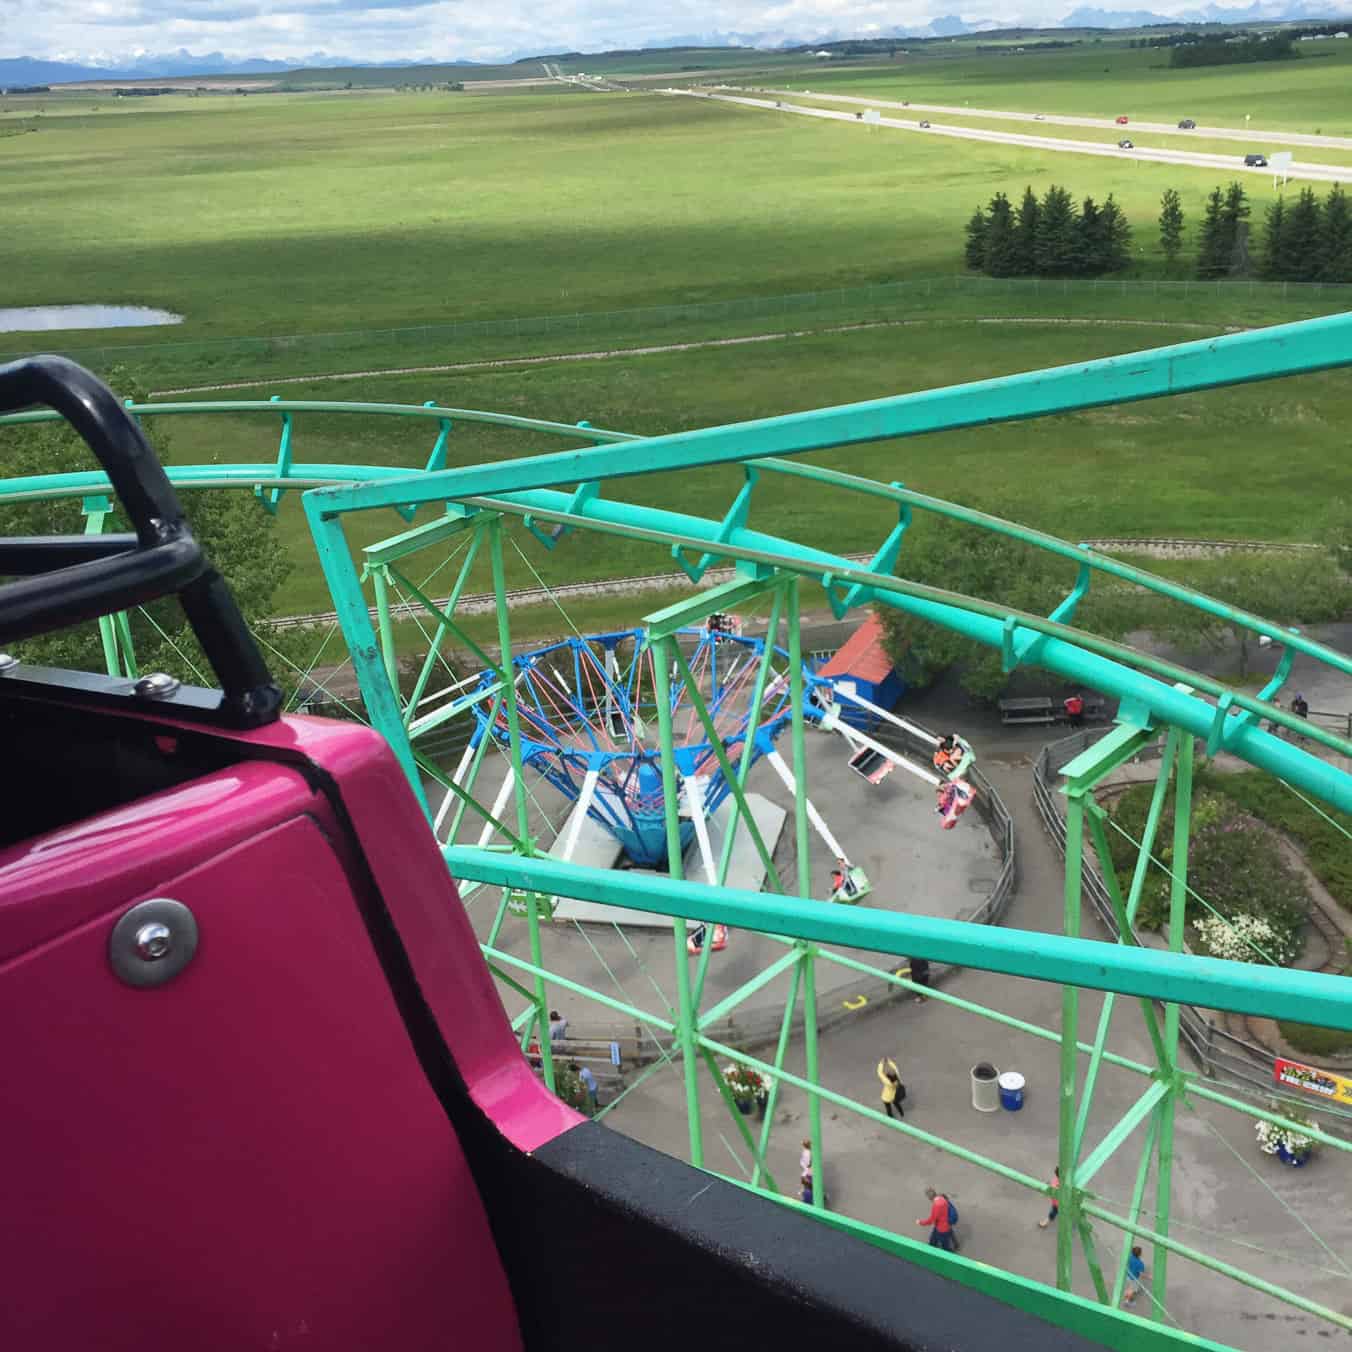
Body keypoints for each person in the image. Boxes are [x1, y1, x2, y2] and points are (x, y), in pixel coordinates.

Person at [916, 1186, 958, 1252]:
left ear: (929, 1198)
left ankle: (951, 1256)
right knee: (933, 1239)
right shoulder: (942, 1198)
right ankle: (955, 1244)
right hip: (945, 1224)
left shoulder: (936, 1206)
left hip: (942, 1228)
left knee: (945, 1246)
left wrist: (920, 1222)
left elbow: (931, 1220)